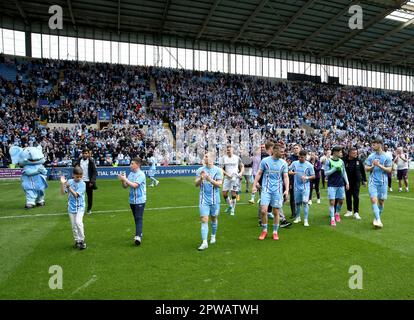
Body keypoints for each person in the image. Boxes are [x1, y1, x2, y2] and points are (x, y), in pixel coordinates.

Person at [252, 143, 289, 241]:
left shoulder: (283, 163)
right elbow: (259, 173)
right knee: (264, 211)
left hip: (277, 191)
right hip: (266, 190)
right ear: (274, 151)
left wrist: (287, 190)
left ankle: (275, 232)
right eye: (280, 151)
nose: (282, 153)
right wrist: (254, 185)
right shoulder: (265, 161)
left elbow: (285, 177)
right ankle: (264, 230)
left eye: (283, 151)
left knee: (276, 212)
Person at [195, 152, 223, 251]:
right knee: (204, 219)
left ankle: (213, 235)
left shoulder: (218, 170)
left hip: (215, 199)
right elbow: (196, 184)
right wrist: (201, 179)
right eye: (204, 156)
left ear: (212, 159)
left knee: (214, 218)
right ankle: (204, 242)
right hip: (203, 199)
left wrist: (209, 179)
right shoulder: (200, 170)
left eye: (206, 156)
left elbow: (219, 185)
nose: (204, 158)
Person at [365, 136, 392, 229]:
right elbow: (366, 168)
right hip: (373, 181)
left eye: (374, 144)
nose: (372, 146)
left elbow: (389, 170)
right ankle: (378, 220)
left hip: (383, 182)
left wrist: (379, 165)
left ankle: (377, 218)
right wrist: (372, 166)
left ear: (380, 144)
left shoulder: (387, 157)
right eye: (372, 144)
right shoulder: (371, 156)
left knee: (381, 201)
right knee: (373, 200)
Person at [118, 158, 147, 245]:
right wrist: (123, 180)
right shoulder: (131, 174)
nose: (130, 165)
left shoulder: (141, 174)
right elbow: (125, 186)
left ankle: (138, 236)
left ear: (137, 165)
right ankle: (139, 233)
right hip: (132, 200)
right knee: (136, 218)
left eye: (132, 163)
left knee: (138, 218)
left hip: (140, 200)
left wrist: (125, 179)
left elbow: (135, 185)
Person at [60, 166, 87, 250]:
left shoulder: (83, 184)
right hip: (71, 207)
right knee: (73, 225)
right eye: (77, 176)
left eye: (80, 176)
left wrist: (68, 187)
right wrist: (62, 184)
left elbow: (76, 195)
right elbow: (63, 193)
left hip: (80, 207)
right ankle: (77, 241)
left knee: (78, 222)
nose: (79, 178)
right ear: (73, 175)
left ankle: (82, 240)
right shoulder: (70, 181)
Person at [324, 146, 349, 227]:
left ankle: (337, 213)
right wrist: (334, 169)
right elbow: (325, 173)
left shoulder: (341, 161)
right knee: (332, 202)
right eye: (340, 152)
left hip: (340, 184)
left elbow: (344, 172)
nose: (341, 153)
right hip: (331, 184)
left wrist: (347, 182)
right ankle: (332, 218)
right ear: (335, 152)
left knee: (341, 200)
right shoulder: (328, 161)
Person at [289, 150, 315, 227]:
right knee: (297, 202)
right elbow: (288, 169)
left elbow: (313, 176)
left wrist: (307, 177)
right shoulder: (294, 163)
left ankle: (306, 220)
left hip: (305, 187)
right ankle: (298, 217)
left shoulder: (309, 165)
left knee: (305, 202)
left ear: (306, 157)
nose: (300, 158)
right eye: (299, 157)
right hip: (296, 186)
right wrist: (290, 172)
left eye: (302, 157)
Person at [220, 145, 244, 216]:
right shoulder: (223, 158)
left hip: (235, 178)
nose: (228, 151)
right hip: (227, 178)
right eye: (227, 150)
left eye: (229, 150)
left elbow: (242, 166)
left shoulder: (237, 158)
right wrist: (227, 174)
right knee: (224, 194)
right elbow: (221, 168)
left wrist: (241, 173)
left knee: (233, 194)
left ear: (232, 150)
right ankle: (230, 205)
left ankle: (233, 209)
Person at [343, 147, 366, 220]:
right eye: (353, 153)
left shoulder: (358, 160)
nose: (355, 154)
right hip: (347, 181)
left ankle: (356, 212)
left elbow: (362, 170)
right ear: (349, 153)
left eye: (356, 153)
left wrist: (364, 180)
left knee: (356, 196)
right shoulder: (344, 160)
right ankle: (349, 210)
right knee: (348, 196)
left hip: (356, 181)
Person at [74, 149, 97, 215]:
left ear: (88, 154)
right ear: (82, 154)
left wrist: (92, 181)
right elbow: (74, 167)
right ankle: (79, 209)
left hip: (88, 182)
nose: (84, 154)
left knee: (89, 196)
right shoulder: (79, 160)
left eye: (86, 153)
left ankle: (89, 209)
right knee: (78, 196)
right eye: (83, 153)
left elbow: (95, 172)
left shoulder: (91, 161)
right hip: (80, 181)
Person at [288, 144, 301, 218]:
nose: (295, 149)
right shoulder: (290, 158)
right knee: (292, 196)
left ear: (300, 149)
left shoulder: (302, 157)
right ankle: (293, 212)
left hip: (301, 180)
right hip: (292, 180)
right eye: (294, 148)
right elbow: (288, 169)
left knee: (300, 196)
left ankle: (298, 211)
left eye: (297, 148)